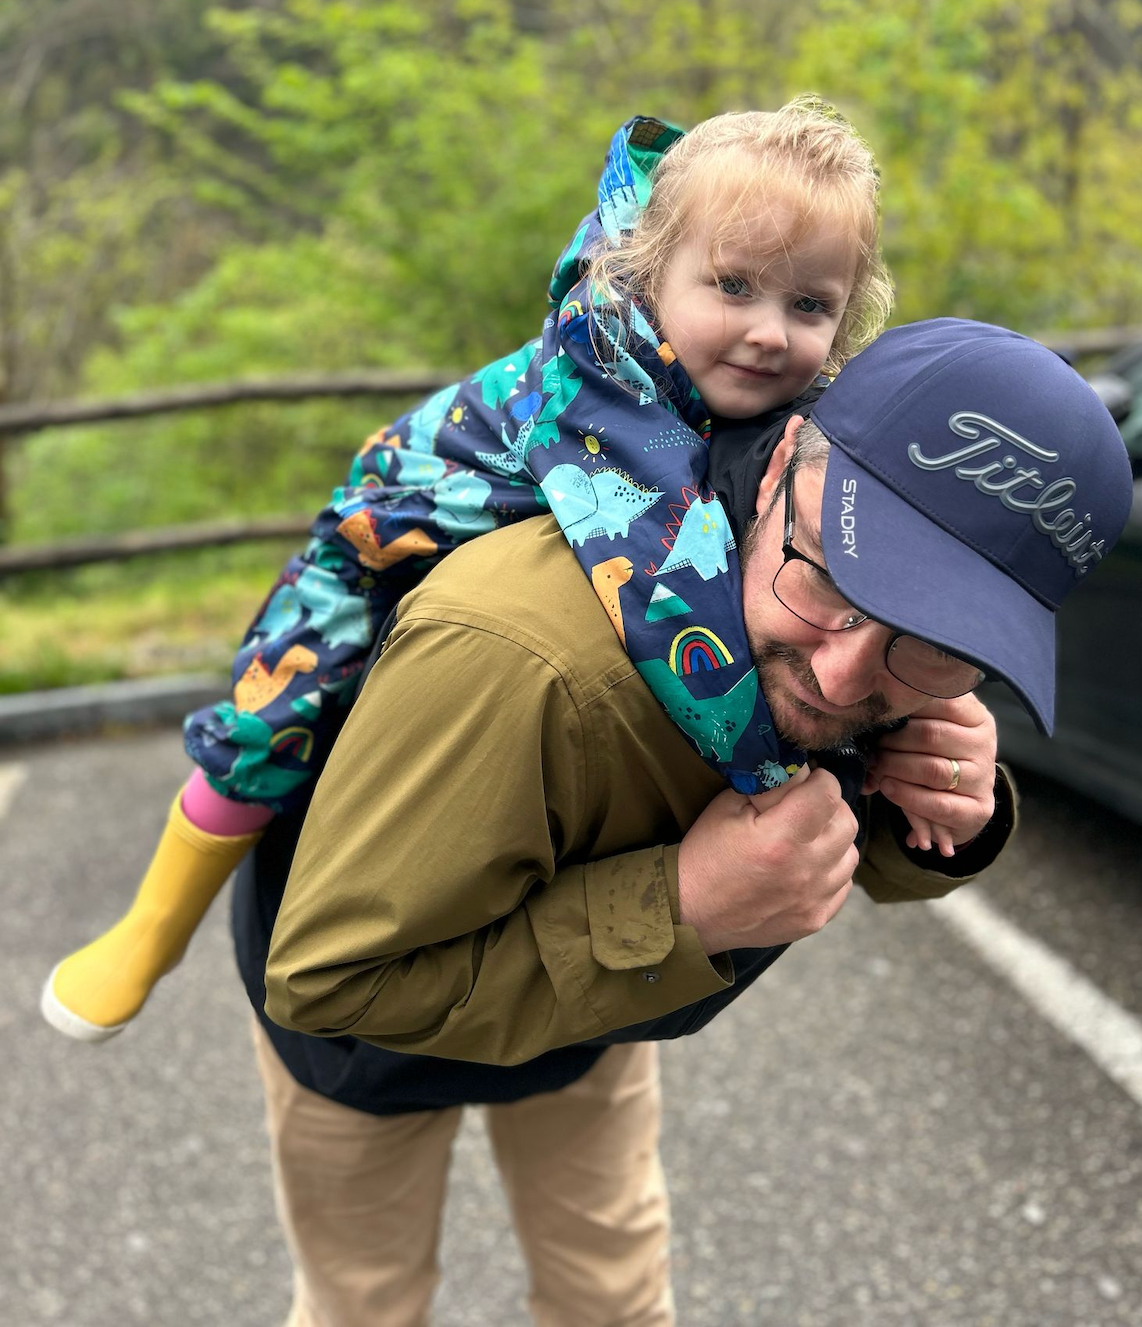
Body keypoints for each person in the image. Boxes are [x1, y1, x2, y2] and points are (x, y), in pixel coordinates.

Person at [250, 316, 1132, 1326]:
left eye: (937, 639)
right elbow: (326, 981)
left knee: (616, 1300)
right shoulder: (512, 653)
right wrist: (684, 908)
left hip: (583, 1019)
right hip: (368, 1039)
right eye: (834, 576)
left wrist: (939, 809)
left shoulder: (839, 611)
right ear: (781, 468)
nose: (843, 675)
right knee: (364, 1303)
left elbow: (834, 837)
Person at [42, 99, 897, 1043]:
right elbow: (664, 588)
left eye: (809, 306)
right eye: (734, 286)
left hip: (566, 1018)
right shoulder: (606, 373)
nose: (771, 332)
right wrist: (772, 771)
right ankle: (154, 924)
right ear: (649, 273)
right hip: (390, 526)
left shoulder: (773, 403)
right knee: (277, 703)